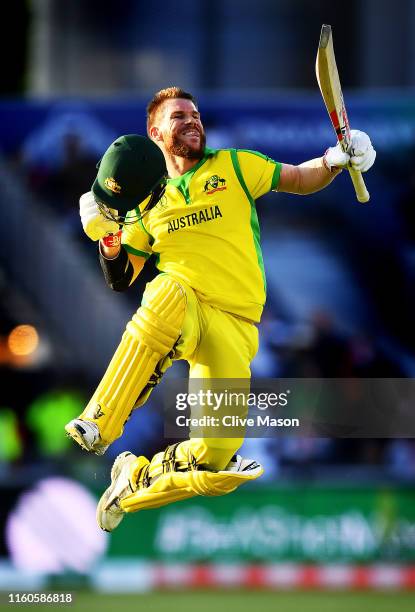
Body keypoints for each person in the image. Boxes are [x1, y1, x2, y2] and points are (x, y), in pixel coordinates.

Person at [65, 87, 376, 532]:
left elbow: (300, 178)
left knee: (217, 459)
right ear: (155, 132)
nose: (192, 121)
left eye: (194, 114)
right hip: (186, 306)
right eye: (179, 117)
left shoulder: (233, 164)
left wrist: (335, 160)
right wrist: (110, 242)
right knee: (167, 293)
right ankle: (101, 420)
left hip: (237, 325)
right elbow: (121, 278)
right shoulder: (144, 203)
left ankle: (133, 484)